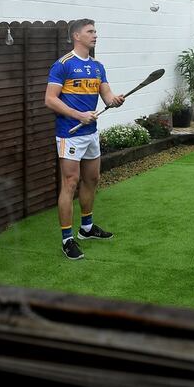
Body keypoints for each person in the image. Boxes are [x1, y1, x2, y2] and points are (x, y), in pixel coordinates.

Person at [44, 19, 125, 260]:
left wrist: (114, 100)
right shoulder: (63, 65)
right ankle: (67, 239)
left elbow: (107, 95)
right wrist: (78, 114)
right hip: (70, 133)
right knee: (70, 183)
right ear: (76, 36)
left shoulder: (98, 67)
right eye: (90, 31)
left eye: (95, 31)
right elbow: (50, 99)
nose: (95, 35)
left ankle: (87, 228)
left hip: (91, 133)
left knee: (92, 179)